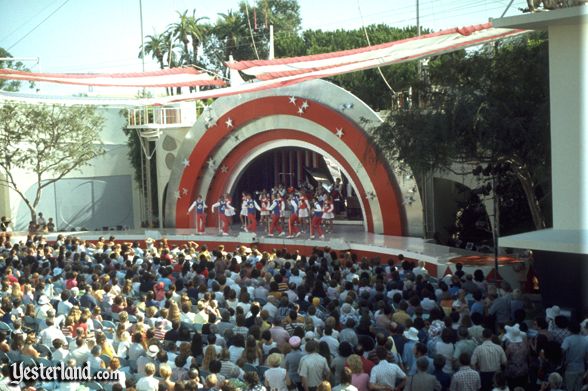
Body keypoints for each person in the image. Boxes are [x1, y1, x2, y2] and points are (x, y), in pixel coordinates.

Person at [560, 321, 588, 391]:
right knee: (578, 388)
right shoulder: (585, 340)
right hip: (581, 368)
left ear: (569, 329)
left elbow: (562, 351)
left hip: (570, 368)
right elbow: (586, 355)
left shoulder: (568, 339)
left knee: (569, 388)